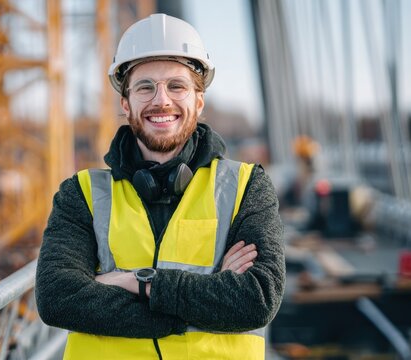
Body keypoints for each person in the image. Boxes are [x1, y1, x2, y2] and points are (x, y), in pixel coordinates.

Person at [36, 13, 285, 360]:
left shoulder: (246, 186)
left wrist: (134, 282)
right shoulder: (81, 194)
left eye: (177, 86)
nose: (162, 100)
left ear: (199, 101)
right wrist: (202, 301)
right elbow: (58, 299)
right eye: (145, 87)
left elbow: (256, 299)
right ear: (126, 104)